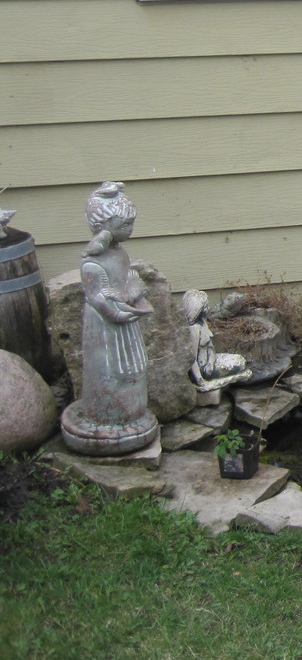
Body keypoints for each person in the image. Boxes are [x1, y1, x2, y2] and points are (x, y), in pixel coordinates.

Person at [60, 182, 159, 455]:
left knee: (133, 370)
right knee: (110, 372)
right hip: (106, 331)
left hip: (126, 326)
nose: (131, 229)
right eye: (125, 224)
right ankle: (108, 418)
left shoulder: (118, 252)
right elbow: (101, 300)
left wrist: (135, 291)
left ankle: (131, 415)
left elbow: (128, 281)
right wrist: (130, 299)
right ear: (105, 224)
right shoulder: (93, 263)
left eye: (132, 223)